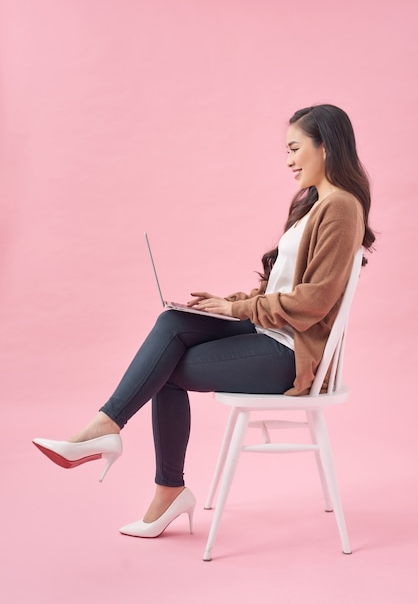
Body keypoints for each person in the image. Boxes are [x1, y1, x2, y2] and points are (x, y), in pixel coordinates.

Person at [33, 104, 375, 539]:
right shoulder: (312, 205)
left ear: (325, 147)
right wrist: (225, 302)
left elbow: (313, 302)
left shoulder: (341, 207)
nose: (288, 161)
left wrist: (238, 311)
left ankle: (156, 480)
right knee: (174, 320)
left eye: (294, 149)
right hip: (270, 330)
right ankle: (108, 430)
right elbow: (280, 288)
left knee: (165, 372)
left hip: (292, 353)